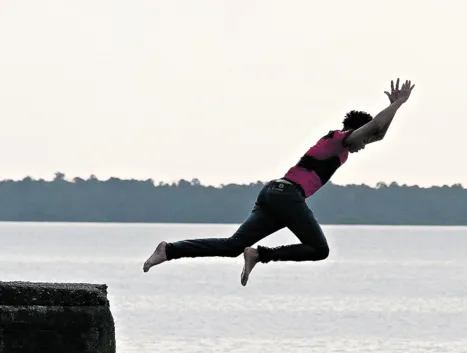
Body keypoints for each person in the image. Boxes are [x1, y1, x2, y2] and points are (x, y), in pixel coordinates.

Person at [142, 78, 415, 286]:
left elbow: (378, 134)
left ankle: (169, 250)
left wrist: (393, 109)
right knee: (319, 249)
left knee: (232, 246)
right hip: (286, 196)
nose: (365, 146)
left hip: (274, 194)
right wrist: (398, 103)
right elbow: (374, 130)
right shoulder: (338, 140)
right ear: (356, 131)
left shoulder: (339, 146)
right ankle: (261, 255)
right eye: (363, 140)